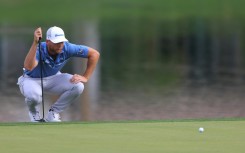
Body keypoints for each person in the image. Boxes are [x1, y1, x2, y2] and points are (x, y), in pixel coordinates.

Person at [17, 26, 100, 122]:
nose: (60, 45)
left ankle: (53, 112)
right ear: (48, 42)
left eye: (62, 42)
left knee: (78, 86)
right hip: (31, 80)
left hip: (54, 78)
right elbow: (29, 67)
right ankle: (34, 112)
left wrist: (86, 77)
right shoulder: (39, 48)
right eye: (57, 42)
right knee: (34, 97)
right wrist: (35, 43)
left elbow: (94, 54)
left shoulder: (67, 48)